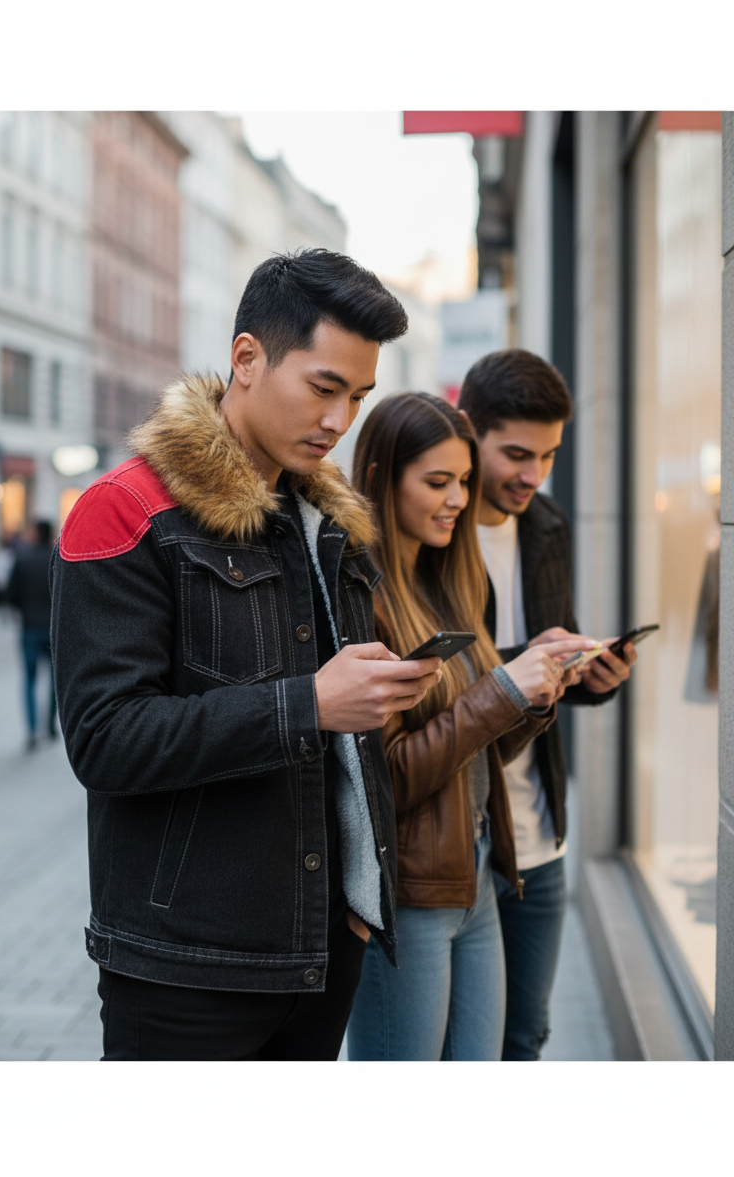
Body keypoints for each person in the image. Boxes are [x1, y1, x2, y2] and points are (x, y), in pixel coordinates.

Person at [49, 249, 444, 1061]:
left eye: (359, 397)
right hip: (187, 969)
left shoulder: (325, 519)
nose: (340, 421)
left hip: (321, 949)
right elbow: (104, 740)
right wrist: (310, 704)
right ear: (246, 359)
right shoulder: (124, 509)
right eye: (324, 388)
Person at [345, 393, 593, 1061]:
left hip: (476, 876)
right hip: (409, 899)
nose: (457, 500)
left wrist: (532, 699)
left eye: (462, 481)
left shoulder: (448, 579)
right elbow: (383, 781)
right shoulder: (356, 598)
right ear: (378, 478)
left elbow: (470, 749)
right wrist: (501, 693)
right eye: (436, 482)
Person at [458, 348, 638, 1061]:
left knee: (524, 1040)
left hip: (541, 838)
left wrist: (593, 677)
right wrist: (524, 669)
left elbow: (542, 680)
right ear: (466, 428)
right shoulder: (428, 529)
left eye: (550, 455)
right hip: (457, 842)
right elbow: (432, 684)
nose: (534, 475)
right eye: (516, 454)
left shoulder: (546, 526)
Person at [6, 519, 57, 750]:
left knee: (29, 679)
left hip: (29, 627)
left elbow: (10, 595)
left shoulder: (22, 560)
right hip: (54, 628)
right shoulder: (58, 558)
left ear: (36, 533)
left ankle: (31, 728)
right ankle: (51, 724)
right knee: (56, 679)